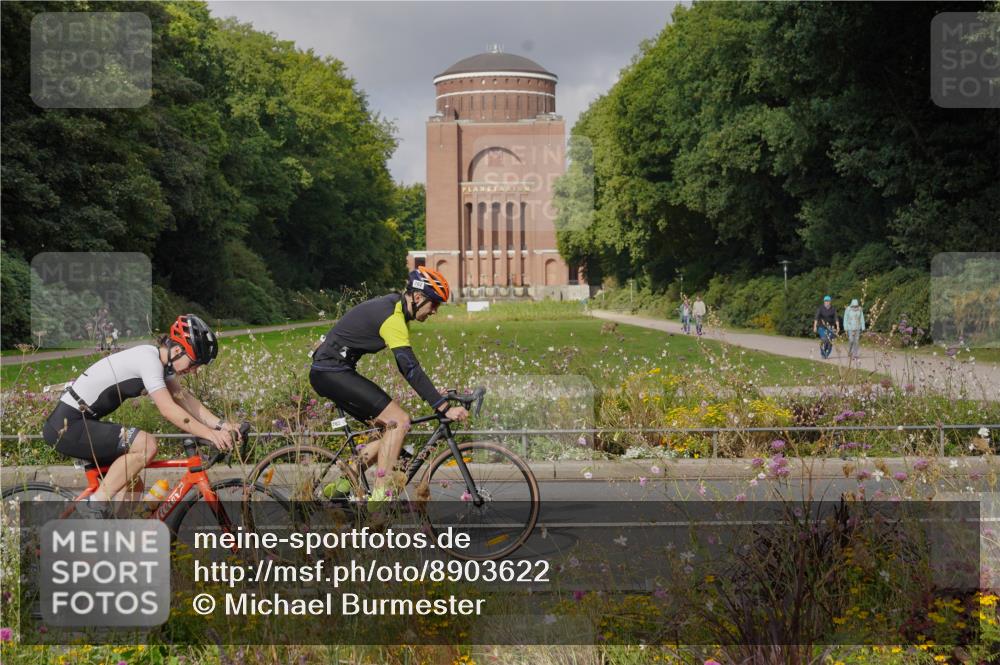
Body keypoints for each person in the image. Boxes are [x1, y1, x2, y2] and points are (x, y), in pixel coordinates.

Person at [41, 315, 238, 518]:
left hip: (83, 423)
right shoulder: (149, 361)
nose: (195, 371)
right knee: (146, 445)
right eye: (195, 363)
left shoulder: (161, 365)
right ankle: (95, 504)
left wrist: (221, 426)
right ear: (178, 351)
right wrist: (210, 434)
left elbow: (184, 399)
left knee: (134, 485)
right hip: (67, 426)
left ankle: (116, 541)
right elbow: (168, 409)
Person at [309, 267, 469, 506]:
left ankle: (344, 484)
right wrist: (442, 407)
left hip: (333, 371)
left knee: (392, 432)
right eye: (434, 303)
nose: (435, 311)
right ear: (417, 297)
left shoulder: (396, 309)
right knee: (399, 422)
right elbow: (409, 368)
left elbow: (408, 367)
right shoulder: (393, 317)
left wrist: (436, 395)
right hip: (332, 372)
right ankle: (379, 500)